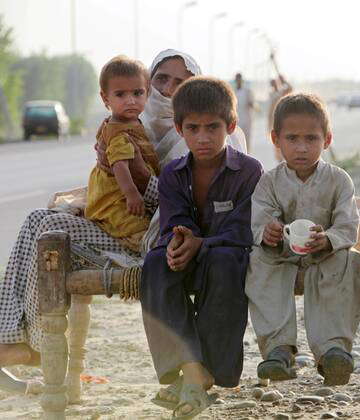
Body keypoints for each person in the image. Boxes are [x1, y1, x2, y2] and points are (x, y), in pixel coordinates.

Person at [0, 49, 235, 394]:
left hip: (157, 243)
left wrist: (139, 175)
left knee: (43, 228)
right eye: (161, 79)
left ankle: (26, 345)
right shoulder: (132, 125)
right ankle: (16, 338)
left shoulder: (199, 132)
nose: (168, 89)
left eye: (181, 82)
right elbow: (113, 187)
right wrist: (87, 199)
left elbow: (183, 206)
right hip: (121, 228)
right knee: (41, 220)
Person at [140, 76, 263, 418]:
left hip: (228, 256)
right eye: (193, 128)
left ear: (231, 126)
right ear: (180, 129)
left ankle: (204, 373)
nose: (203, 137)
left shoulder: (249, 171)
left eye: (213, 128)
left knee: (225, 260)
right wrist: (178, 243)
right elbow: (173, 220)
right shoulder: (173, 174)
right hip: (191, 256)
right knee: (155, 264)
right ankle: (192, 367)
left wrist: (202, 243)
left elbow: (244, 229)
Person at [246, 93, 360, 386]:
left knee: (351, 261)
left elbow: (348, 225)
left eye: (311, 139)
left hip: (326, 255)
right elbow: (258, 221)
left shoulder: (339, 180)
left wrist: (327, 239)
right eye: (292, 138)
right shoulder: (269, 181)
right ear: (276, 139)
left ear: (327, 140)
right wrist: (269, 233)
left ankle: (333, 351)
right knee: (257, 261)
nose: (302, 148)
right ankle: (278, 350)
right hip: (281, 255)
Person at [86, 56, 160, 252]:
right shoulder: (120, 133)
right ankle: (135, 247)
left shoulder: (126, 122)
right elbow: (120, 165)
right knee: (137, 228)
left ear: (148, 92)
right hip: (116, 197)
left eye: (138, 93)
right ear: (105, 98)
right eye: (120, 95)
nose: (130, 101)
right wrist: (132, 194)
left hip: (121, 192)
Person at [267, 73, 292, 162]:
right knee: (276, 141)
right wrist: (269, 123)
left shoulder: (282, 92)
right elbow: (270, 110)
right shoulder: (271, 94)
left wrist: (284, 81)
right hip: (274, 120)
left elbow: (290, 88)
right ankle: (280, 161)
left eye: (275, 83)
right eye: (272, 83)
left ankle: (285, 158)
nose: (274, 85)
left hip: (282, 119)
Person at [233, 72, 255, 151]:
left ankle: (247, 156)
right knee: (237, 140)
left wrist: (251, 104)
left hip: (247, 119)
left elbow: (252, 104)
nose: (238, 81)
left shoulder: (247, 91)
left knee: (247, 139)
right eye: (237, 79)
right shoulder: (233, 92)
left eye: (239, 79)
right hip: (237, 120)